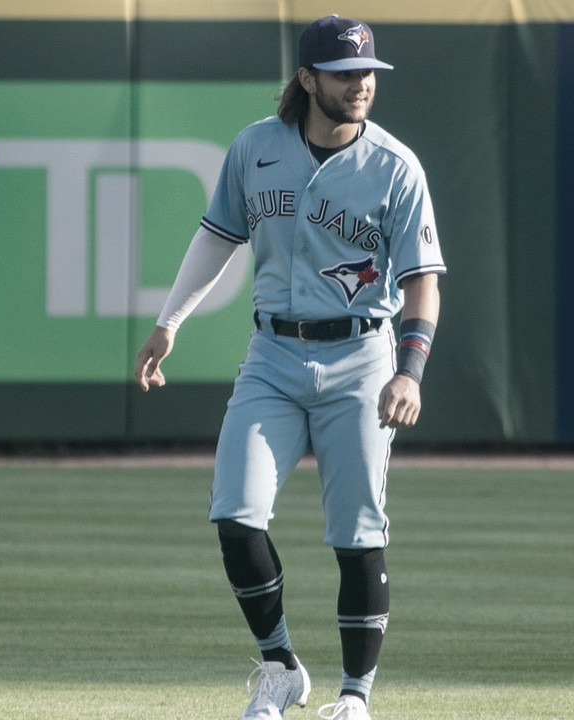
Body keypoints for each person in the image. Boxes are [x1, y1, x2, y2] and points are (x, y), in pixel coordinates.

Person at [133, 14, 445, 720]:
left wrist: (410, 370)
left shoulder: (395, 166)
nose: (360, 85)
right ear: (307, 79)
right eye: (344, 74)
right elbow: (217, 239)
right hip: (272, 355)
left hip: (362, 356)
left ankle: (354, 698)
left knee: (358, 532)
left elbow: (425, 278)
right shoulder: (255, 148)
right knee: (235, 517)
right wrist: (167, 323)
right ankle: (280, 667)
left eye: (367, 72)